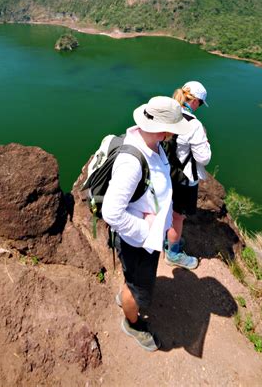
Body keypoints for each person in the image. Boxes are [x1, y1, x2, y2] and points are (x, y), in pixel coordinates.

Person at [102, 96, 190, 351]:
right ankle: (132, 323)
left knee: (134, 280)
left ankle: (126, 295)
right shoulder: (132, 161)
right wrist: (148, 230)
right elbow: (111, 213)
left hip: (143, 241)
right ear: (163, 130)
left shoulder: (152, 144)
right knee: (138, 289)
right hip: (137, 242)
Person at [163, 81, 211, 270]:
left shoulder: (168, 114)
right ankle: (172, 254)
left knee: (167, 210)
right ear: (196, 101)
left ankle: (167, 241)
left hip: (165, 173)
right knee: (178, 217)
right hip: (183, 179)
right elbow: (204, 158)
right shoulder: (195, 125)